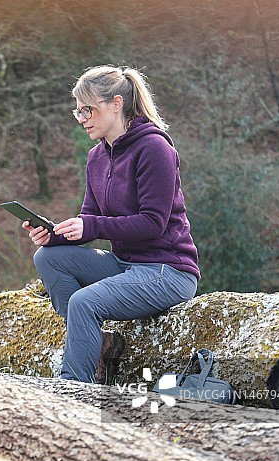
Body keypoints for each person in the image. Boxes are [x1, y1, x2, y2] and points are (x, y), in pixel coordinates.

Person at [24, 65, 200, 383]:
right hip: (124, 264)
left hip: (168, 271)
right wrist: (54, 236)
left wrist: (90, 227)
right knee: (47, 258)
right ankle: (98, 344)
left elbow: (152, 223)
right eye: (77, 111)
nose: (82, 118)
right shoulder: (97, 157)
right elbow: (90, 216)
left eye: (88, 110)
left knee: (83, 301)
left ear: (116, 104)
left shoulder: (155, 149)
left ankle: (73, 390)